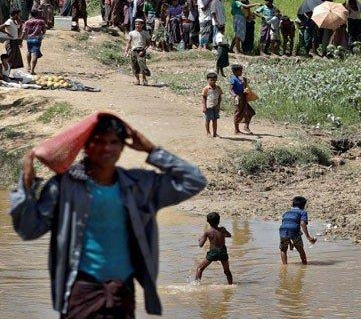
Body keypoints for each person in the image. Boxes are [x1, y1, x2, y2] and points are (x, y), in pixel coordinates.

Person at [11, 114, 206, 318]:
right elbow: (28, 229)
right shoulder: (63, 187)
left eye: (114, 142)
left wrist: (152, 150)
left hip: (122, 293)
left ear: (123, 147)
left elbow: (194, 181)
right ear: (86, 146)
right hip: (80, 293)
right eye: (99, 141)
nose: (107, 148)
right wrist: (25, 188)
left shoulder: (137, 186)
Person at [195, 212, 233, 284]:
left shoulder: (207, 232)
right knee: (227, 271)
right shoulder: (222, 229)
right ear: (219, 221)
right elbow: (229, 235)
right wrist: (222, 236)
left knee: (199, 269)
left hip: (213, 252)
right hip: (223, 252)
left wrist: (200, 240)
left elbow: (201, 245)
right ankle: (231, 285)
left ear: (208, 221)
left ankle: (197, 286)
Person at [279, 196, 317, 265]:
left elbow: (286, 225)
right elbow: (302, 224)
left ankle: (284, 267)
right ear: (303, 206)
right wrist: (308, 237)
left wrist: (290, 242)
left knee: (283, 250)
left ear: (293, 204)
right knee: (300, 250)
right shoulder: (302, 212)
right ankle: (305, 265)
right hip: (294, 231)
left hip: (282, 231)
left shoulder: (286, 213)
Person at [124, 18, 151, 86]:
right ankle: (137, 80)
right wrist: (126, 51)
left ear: (142, 25)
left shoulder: (145, 33)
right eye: (136, 24)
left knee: (142, 65)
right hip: (133, 51)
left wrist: (144, 50)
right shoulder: (131, 33)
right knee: (134, 66)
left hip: (141, 50)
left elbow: (148, 44)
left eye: (139, 24)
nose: (137, 25)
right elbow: (129, 43)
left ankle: (144, 79)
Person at [229, 64, 255, 134]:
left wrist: (245, 83)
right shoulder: (233, 79)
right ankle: (236, 130)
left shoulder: (240, 79)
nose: (241, 72)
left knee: (251, 112)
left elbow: (244, 88)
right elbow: (230, 90)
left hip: (243, 97)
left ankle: (246, 126)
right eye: (240, 70)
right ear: (235, 71)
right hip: (238, 98)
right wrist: (235, 96)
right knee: (238, 113)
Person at [22, 10, 46, 75]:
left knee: (29, 51)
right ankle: (32, 70)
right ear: (37, 14)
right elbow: (44, 30)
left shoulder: (27, 22)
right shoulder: (41, 21)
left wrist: (21, 40)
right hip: (37, 39)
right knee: (35, 53)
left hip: (29, 39)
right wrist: (41, 33)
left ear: (31, 14)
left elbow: (24, 32)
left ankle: (29, 66)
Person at [202, 71, 223, 138]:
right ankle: (208, 132)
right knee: (208, 120)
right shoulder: (206, 88)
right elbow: (204, 98)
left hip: (215, 106)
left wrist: (219, 105)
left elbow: (219, 97)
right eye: (211, 80)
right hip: (209, 106)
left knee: (215, 120)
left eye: (214, 80)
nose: (213, 81)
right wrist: (204, 107)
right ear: (208, 80)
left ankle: (215, 133)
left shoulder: (218, 88)